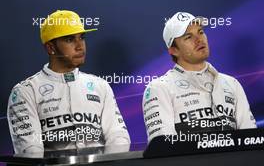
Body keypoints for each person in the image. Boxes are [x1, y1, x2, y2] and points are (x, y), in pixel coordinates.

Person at [7, 10, 130, 154]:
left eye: (82, 38)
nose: (80, 46)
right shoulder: (25, 91)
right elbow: (31, 151)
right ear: (50, 48)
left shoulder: (100, 86)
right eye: (69, 40)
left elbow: (118, 137)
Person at [142, 12, 256, 142]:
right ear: (173, 50)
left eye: (200, 32)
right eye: (188, 37)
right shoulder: (159, 88)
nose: (199, 40)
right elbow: (163, 148)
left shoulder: (232, 83)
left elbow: (251, 140)